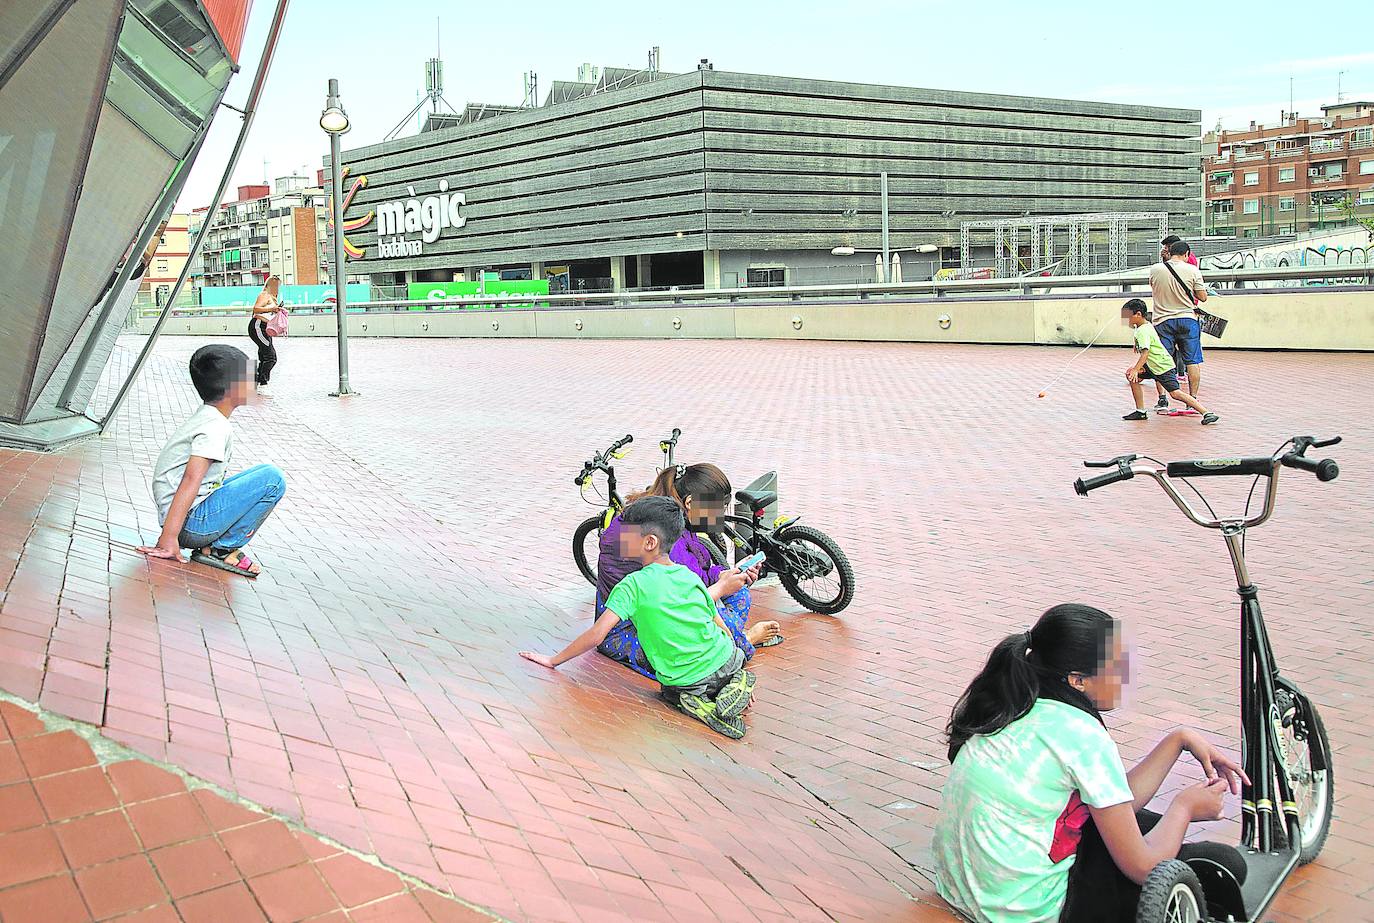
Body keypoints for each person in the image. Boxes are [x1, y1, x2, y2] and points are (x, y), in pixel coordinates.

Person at [932, 604, 1249, 923]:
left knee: (1144, 823)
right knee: (1222, 863)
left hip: (970, 892)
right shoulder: (1081, 734)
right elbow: (1142, 867)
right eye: (1115, 667)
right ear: (1078, 680)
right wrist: (1184, 807)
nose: (1125, 675)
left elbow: (1113, 799)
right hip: (1031, 910)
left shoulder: (1013, 705)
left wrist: (1178, 739)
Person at [521, 496, 756, 738]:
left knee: (670, 689)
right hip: (726, 659)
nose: (620, 540)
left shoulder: (631, 586)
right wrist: (732, 651)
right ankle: (735, 681)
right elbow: (715, 618)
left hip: (684, 679)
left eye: (627, 534)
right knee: (726, 662)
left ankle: (696, 701)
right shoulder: (688, 575)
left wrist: (554, 661)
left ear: (650, 542)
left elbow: (597, 635)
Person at [594, 464, 780, 680]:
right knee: (713, 637)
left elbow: (697, 573)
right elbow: (679, 602)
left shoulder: (669, 518)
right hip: (630, 629)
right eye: (719, 508)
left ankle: (733, 642)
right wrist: (721, 586)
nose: (721, 516)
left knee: (738, 593)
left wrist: (727, 576)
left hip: (664, 607)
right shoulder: (660, 539)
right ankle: (743, 641)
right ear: (690, 502)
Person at [138, 345, 286, 578]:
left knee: (259, 473)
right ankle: (220, 550)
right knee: (272, 479)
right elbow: (191, 479)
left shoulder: (208, 417)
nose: (255, 382)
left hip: (184, 519)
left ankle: (212, 545)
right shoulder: (215, 427)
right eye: (249, 377)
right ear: (233, 388)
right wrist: (169, 537)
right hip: (190, 524)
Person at [1120, 299, 1217, 425]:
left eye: (1128, 317)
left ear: (1138, 314)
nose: (1126, 320)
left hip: (1162, 366)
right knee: (1133, 378)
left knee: (1175, 393)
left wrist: (1136, 368)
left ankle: (1206, 413)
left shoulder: (1143, 330)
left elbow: (1146, 352)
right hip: (1153, 365)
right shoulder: (1144, 326)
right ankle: (1141, 411)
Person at [1148, 241, 1208, 408]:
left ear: (1170, 252)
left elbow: (1153, 286)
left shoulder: (1156, 269)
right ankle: (1192, 400)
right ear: (1187, 254)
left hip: (1162, 321)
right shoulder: (1193, 270)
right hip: (1188, 319)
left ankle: (1162, 398)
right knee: (1192, 361)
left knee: (1161, 360)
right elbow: (1202, 297)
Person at [248, 276, 283, 389]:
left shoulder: (272, 297)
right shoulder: (264, 295)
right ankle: (263, 382)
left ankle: (257, 381)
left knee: (264, 355)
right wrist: (272, 309)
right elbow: (256, 309)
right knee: (270, 356)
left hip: (265, 327)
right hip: (258, 326)